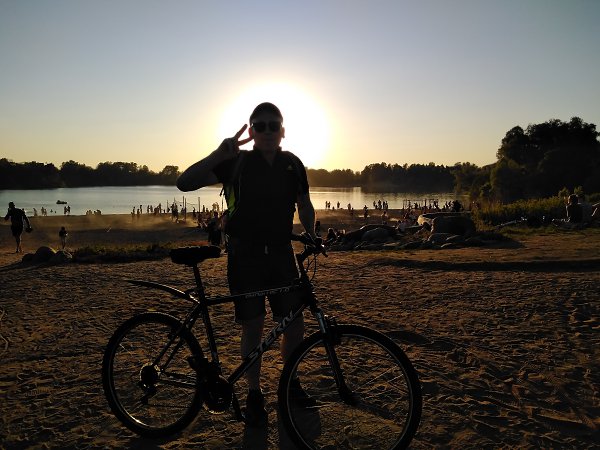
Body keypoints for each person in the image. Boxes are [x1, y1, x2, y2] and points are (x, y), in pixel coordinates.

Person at [177, 102, 317, 427]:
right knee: (253, 326)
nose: (267, 131)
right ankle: (254, 393)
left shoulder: (293, 164)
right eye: (260, 125)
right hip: (245, 256)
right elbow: (185, 183)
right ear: (251, 131)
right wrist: (217, 154)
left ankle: (291, 382)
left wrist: (312, 234)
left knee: (293, 324)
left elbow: (305, 202)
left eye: (273, 125)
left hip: (282, 254)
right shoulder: (235, 162)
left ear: (283, 131)